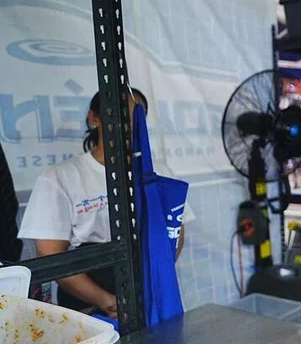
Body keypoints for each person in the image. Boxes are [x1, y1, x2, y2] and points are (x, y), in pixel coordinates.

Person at [18, 87, 187, 317]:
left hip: (148, 295)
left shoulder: (158, 174)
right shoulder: (59, 178)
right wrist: (105, 300)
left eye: (136, 117)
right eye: (118, 115)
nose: (128, 125)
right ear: (94, 118)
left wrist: (156, 278)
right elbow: (50, 255)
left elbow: (175, 230)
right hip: (88, 307)